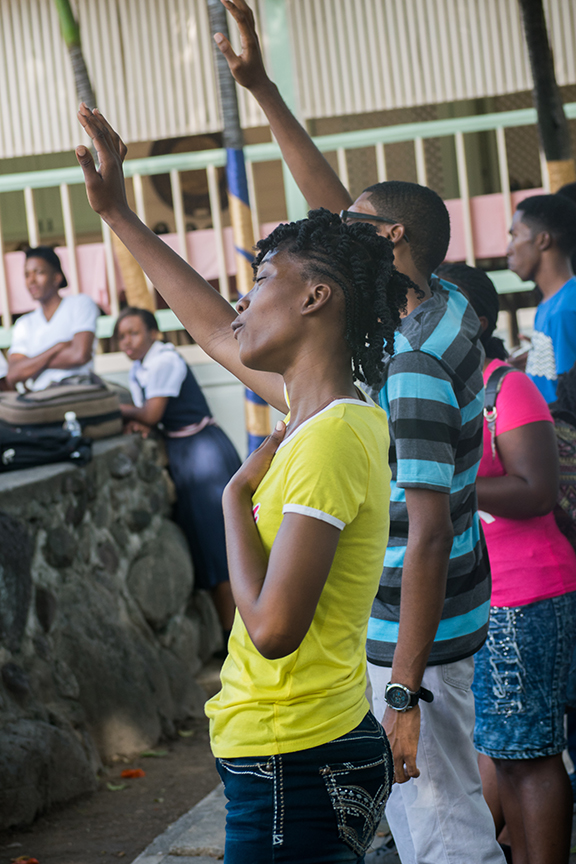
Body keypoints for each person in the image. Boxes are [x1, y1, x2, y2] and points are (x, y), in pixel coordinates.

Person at [76, 106, 413, 863]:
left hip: (293, 755)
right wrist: (118, 214)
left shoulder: (326, 436)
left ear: (315, 298)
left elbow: (271, 627)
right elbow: (208, 324)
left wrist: (232, 498)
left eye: (260, 280)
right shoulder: (323, 410)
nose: (241, 302)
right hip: (295, 746)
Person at [208, 4, 504, 863]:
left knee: (445, 836)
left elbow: (426, 533)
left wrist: (403, 691)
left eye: (354, 223)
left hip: (421, 639)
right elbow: (331, 209)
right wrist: (263, 90)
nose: (336, 224)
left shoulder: (407, 360)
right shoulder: (440, 302)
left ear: (387, 240)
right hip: (446, 620)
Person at [437, 262, 576, 864]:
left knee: (532, 755)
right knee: (509, 752)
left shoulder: (506, 387)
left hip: (528, 595)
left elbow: (535, 491)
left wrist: (442, 488)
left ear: (480, 322)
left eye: (442, 308)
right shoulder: (443, 390)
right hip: (487, 598)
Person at [115, 306, 241, 639]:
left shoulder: (164, 360)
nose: (126, 341)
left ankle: (239, 636)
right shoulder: (140, 369)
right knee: (203, 543)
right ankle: (229, 634)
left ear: (154, 334)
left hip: (203, 454)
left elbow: (151, 412)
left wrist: (116, 409)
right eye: (121, 336)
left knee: (220, 541)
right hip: (182, 455)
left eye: (134, 333)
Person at [506, 194, 576, 402]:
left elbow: (568, 399)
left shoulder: (566, 309)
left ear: (543, 240)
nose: (508, 249)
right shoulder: (550, 304)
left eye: (515, 236)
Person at [7, 246, 99, 391]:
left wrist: (32, 366)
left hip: (77, 390)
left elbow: (79, 355)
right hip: (41, 398)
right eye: (26, 275)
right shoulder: (24, 324)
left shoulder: (80, 304)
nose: (31, 280)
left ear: (57, 277)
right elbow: (13, 374)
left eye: (39, 272)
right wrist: (58, 347)